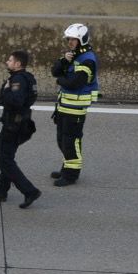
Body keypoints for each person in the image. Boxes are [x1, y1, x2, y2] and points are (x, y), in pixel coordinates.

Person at [0, 50, 43, 208]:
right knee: (7, 157)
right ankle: (1, 190)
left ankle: (29, 191)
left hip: (13, 126)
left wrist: (5, 90)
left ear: (18, 64)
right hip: (21, 124)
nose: (7, 62)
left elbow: (16, 101)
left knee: (6, 161)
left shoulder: (18, 80)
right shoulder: (28, 78)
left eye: (10, 60)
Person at [51, 22, 100, 186]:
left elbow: (75, 83)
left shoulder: (87, 60)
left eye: (74, 39)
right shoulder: (73, 55)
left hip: (76, 108)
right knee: (61, 139)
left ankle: (71, 175)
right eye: (69, 39)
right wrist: (64, 61)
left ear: (82, 40)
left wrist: (60, 80)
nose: (70, 42)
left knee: (71, 141)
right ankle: (66, 167)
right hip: (64, 105)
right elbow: (55, 71)